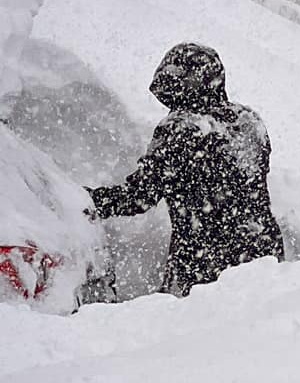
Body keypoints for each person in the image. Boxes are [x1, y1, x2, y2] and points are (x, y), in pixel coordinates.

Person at [87, 43, 284, 296]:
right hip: (264, 254)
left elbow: (140, 196)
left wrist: (89, 201)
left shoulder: (180, 128)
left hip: (205, 263)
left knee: (190, 322)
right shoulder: (250, 122)